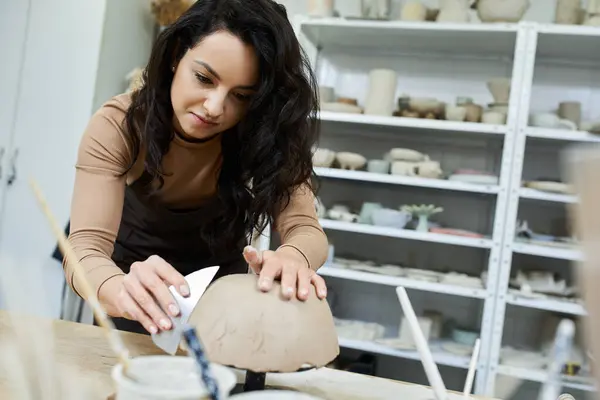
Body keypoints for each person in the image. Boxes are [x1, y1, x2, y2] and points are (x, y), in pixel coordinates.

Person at [64, 0, 329, 335]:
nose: (215, 107)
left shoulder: (264, 134)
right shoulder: (120, 125)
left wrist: (293, 257)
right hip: (133, 286)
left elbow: (306, 229)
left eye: (241, 96)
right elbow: (85, 248)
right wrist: (118, 289)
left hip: (219, 292)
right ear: (176, 55)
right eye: (204, 78)